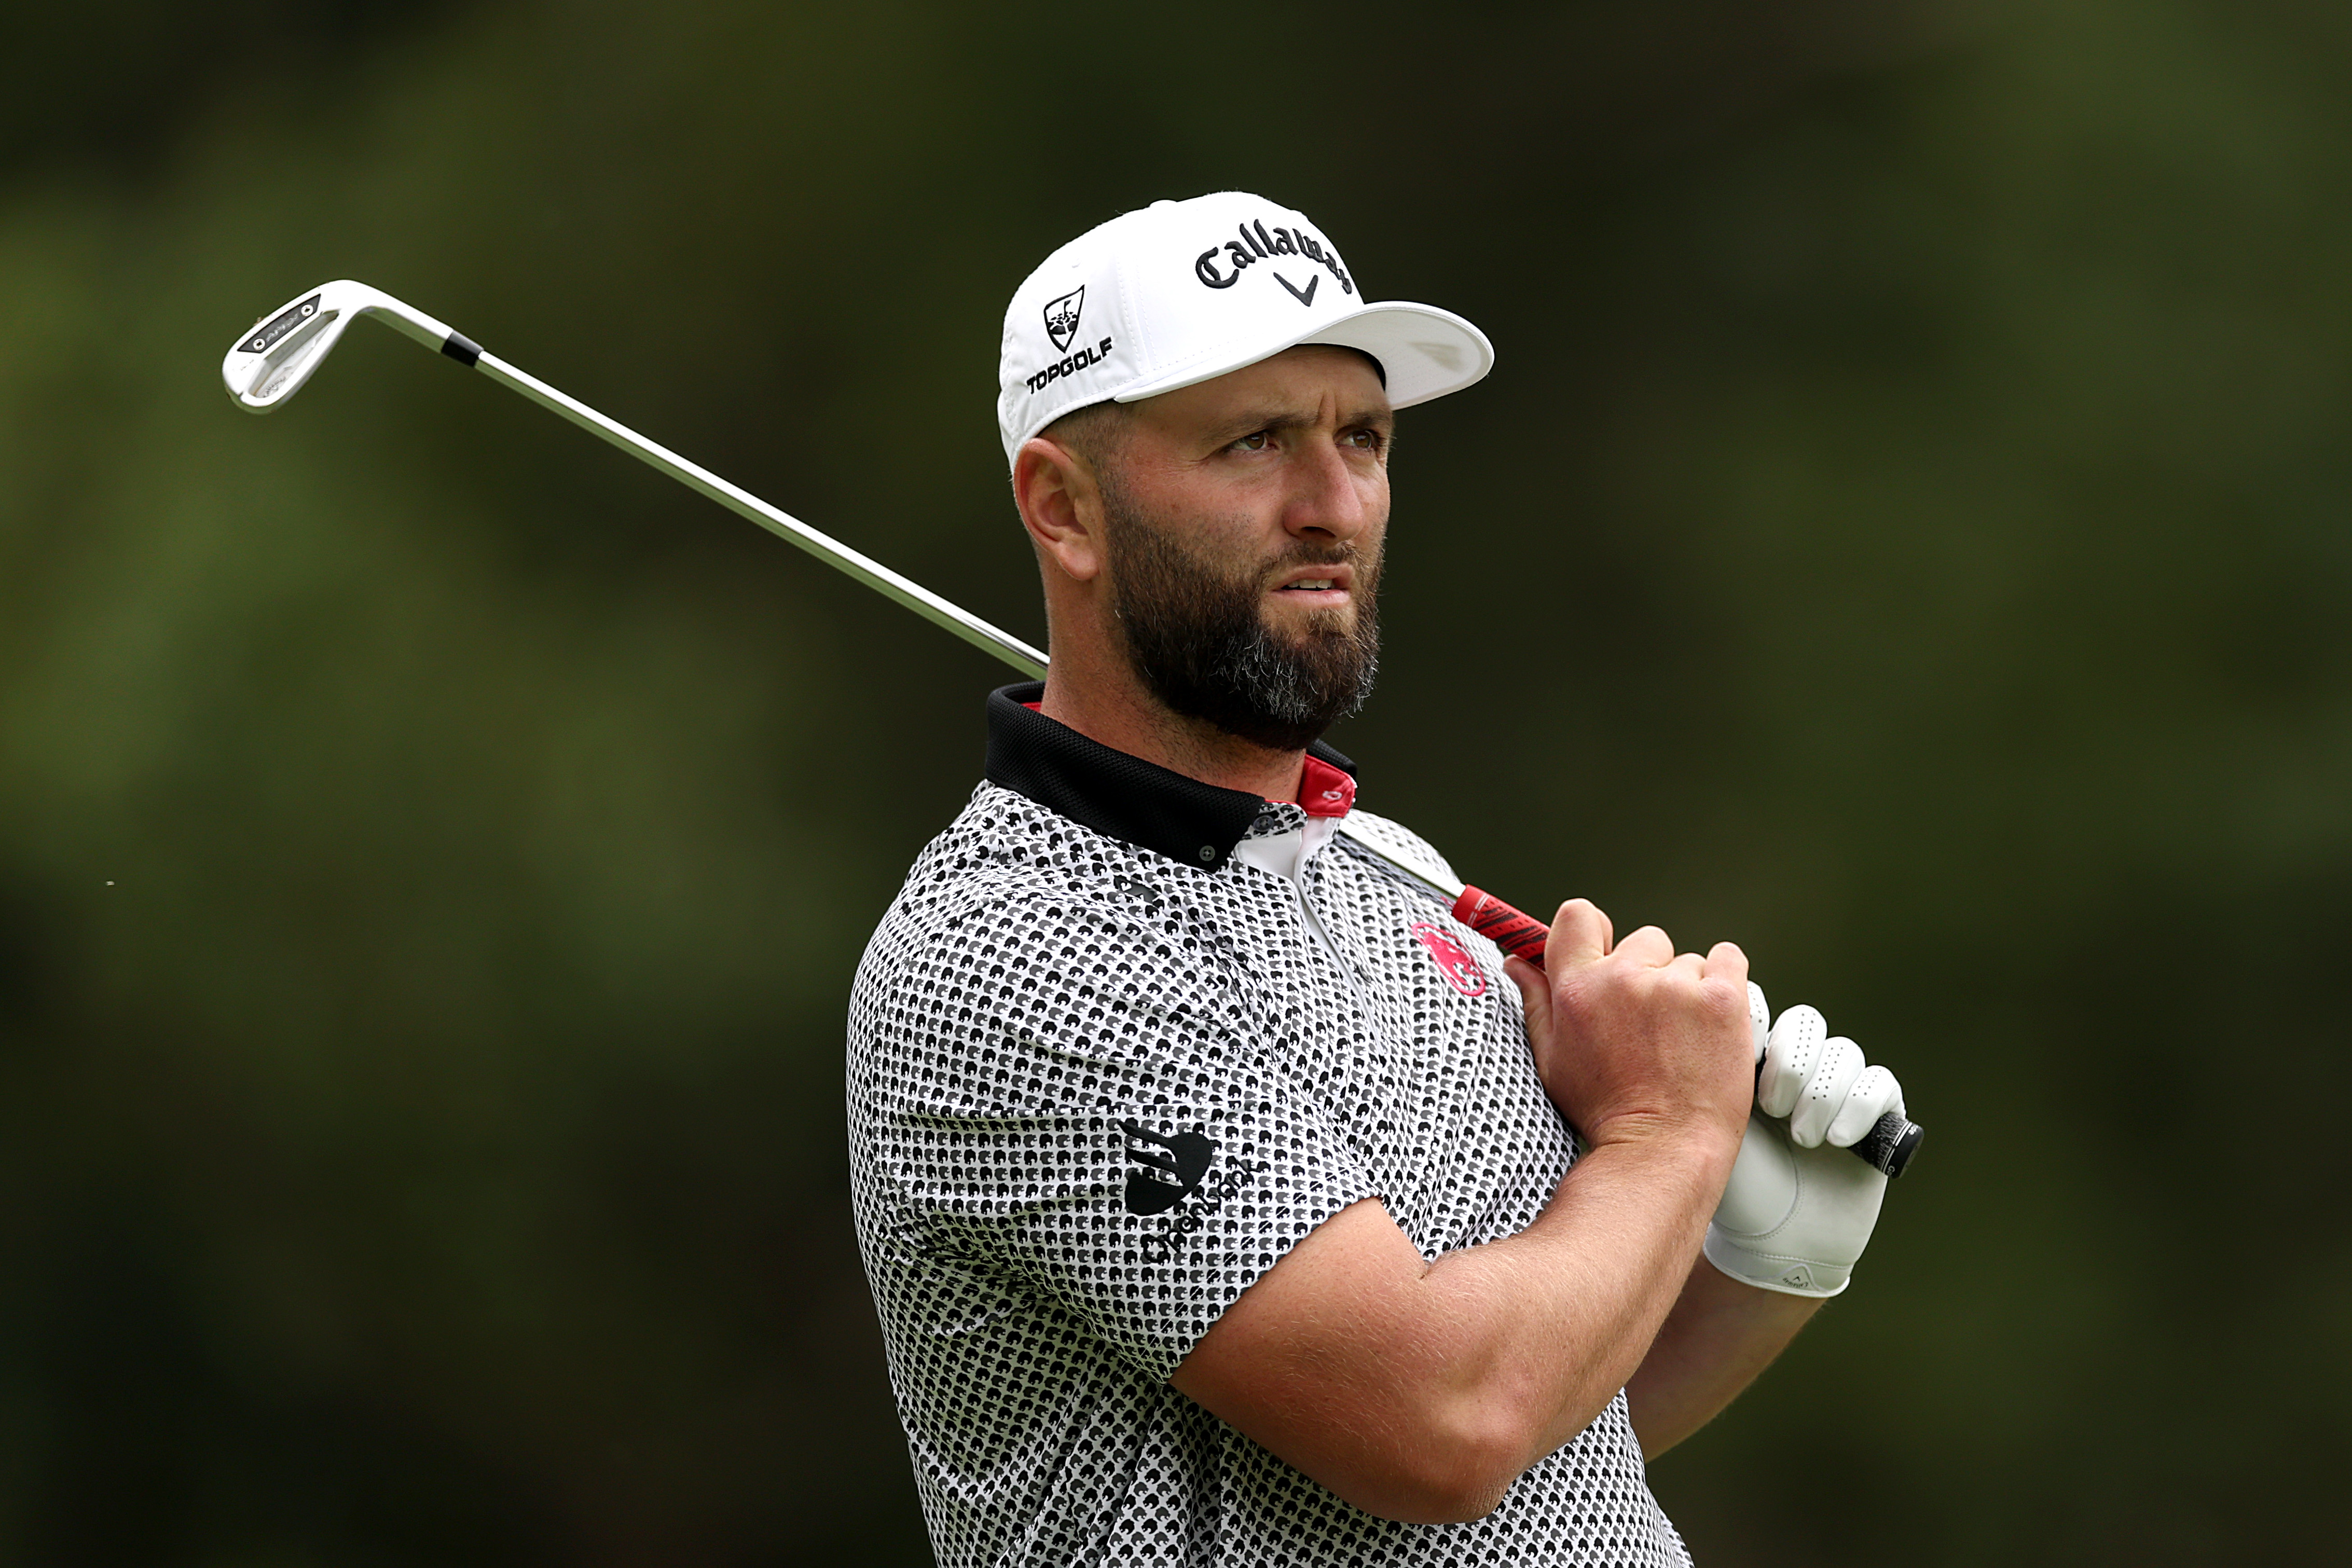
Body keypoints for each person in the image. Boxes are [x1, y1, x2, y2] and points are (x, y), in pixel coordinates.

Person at [846, 191, 1908, 1567]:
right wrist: (1665, 1142)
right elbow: (1442, 1426)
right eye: (1255, 441)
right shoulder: (1008, 953)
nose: (1334, 507)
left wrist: (1768, 1255)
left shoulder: (1392, 876)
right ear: (1066, 509)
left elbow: (1555, 1436)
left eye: (1363, 438)